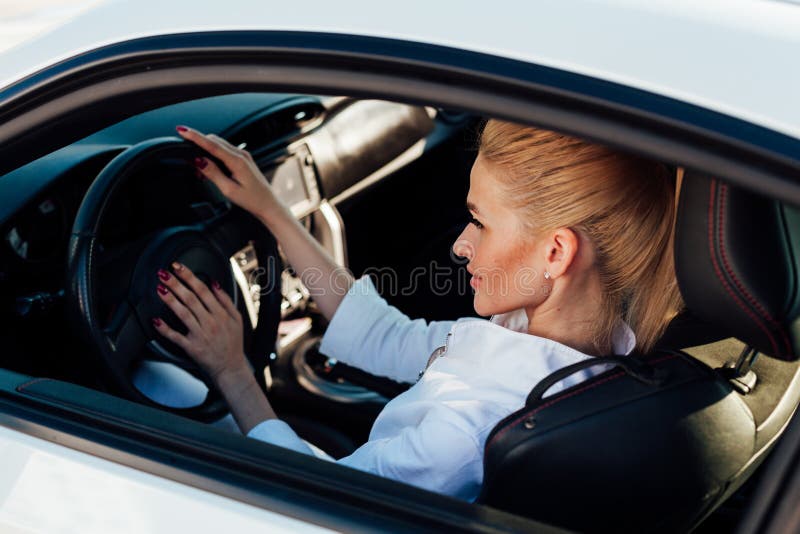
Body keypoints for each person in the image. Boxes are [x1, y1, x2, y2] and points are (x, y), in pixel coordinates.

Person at [145, 119, 682, 501]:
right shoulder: (578, 344)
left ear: (556, 253)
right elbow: (388, 337)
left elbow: (318, 498)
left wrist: (231, 370)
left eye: (480, 221)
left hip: (319, 497)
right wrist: (273, 213)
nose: (461, 246)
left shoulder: (465, 433)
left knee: (159, 384)